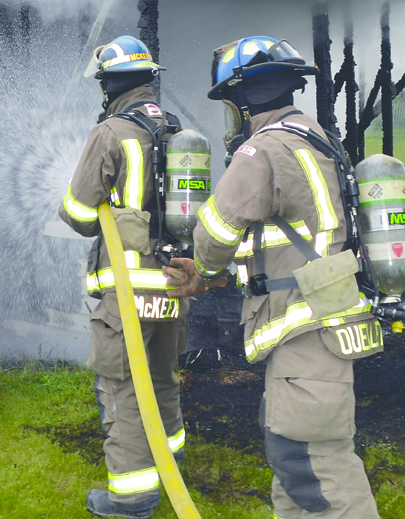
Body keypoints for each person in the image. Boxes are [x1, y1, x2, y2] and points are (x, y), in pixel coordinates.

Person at [164, 36, 383, 519]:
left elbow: (216, 229)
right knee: (292, 454)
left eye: (229, 106)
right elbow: (286, 235)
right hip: (324, 315)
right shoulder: (315, 137)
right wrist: (223, 278)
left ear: (244, 101)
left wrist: (203, 269)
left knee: (315, 466)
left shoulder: (261, 150)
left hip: (307, 326)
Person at [58, 35, 189, 519]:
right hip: (172, 286)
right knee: (160, 377)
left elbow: (77, 211)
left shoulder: (111, 132)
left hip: (128, 290)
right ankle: (168, 462)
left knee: (120, 385)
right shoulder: (176, 131)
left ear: (108, 84)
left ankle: (132, 496)